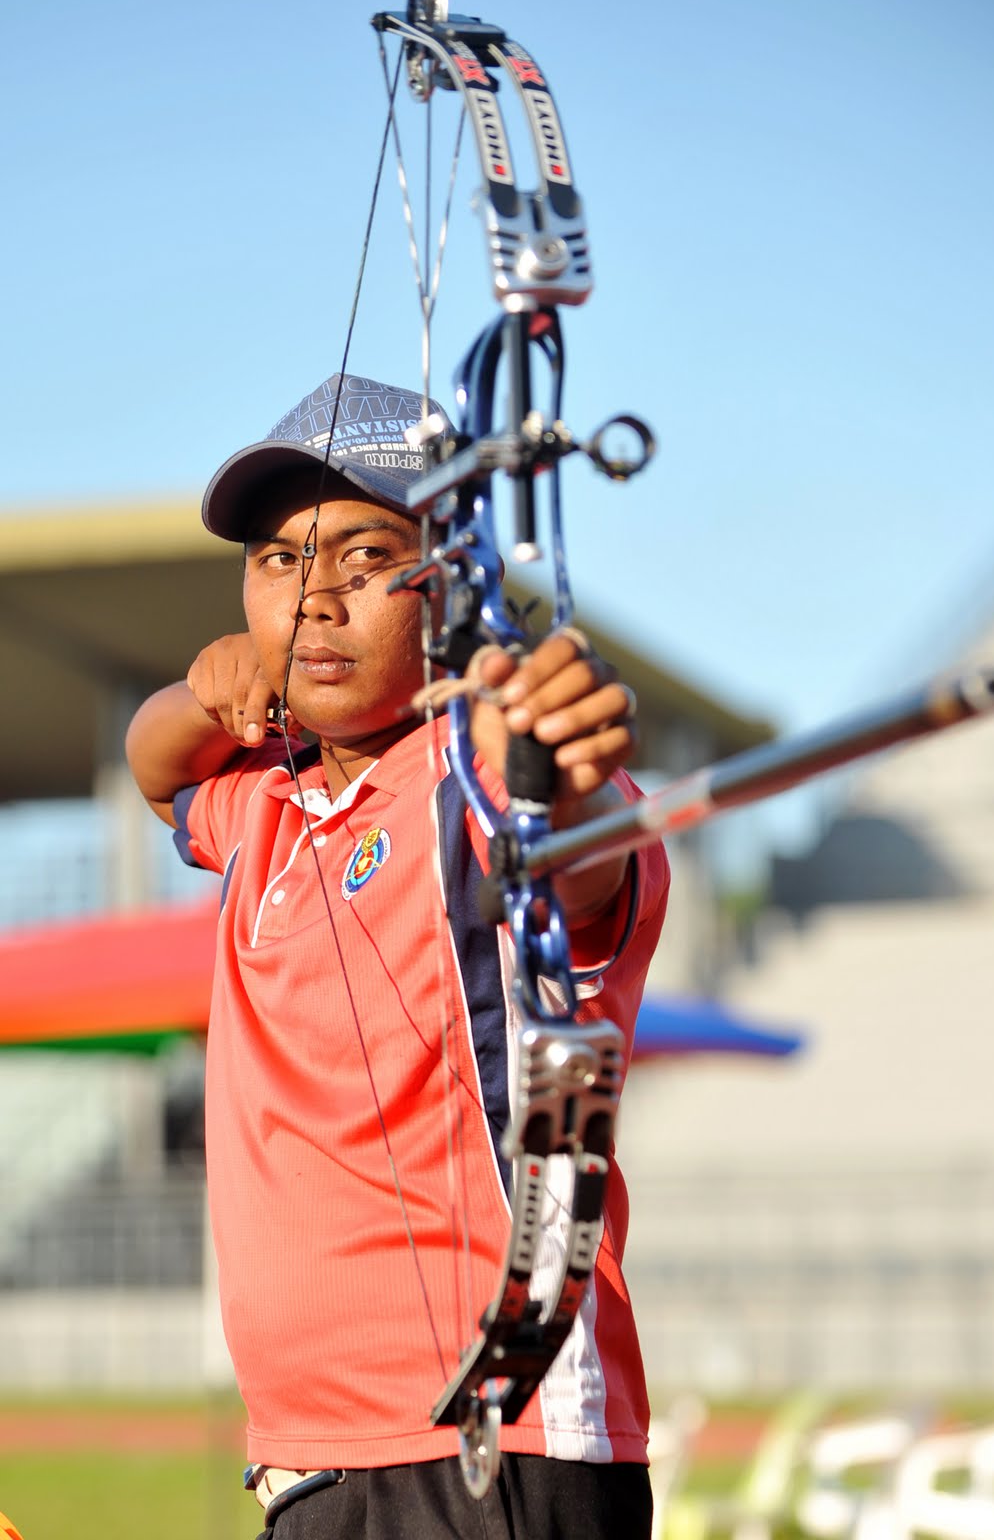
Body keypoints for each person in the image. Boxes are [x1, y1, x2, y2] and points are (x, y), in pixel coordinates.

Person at [126, 372, 670, 1540]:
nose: (313, 597)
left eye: (367, 557)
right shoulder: (268, 803)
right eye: (278, 560)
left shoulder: (478, 786)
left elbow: (576, 858)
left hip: (488, 1449)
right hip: (311, 1461)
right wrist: (199, 694)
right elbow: (157, 771)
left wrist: (560, 766)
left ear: (455, 580)